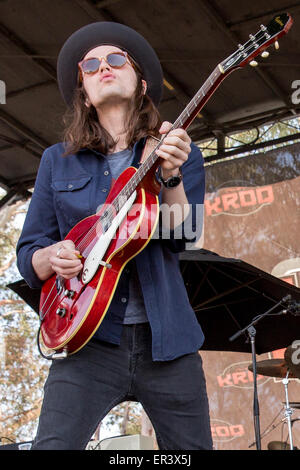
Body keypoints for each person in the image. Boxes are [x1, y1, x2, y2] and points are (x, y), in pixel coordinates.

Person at [16, 22, 212, 450]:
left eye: (116, 59)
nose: (104, 66)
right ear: (84, 92)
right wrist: (54, 256)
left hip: (169, 343)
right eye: (91, 65)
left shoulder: (176, 148)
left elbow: (187, 235)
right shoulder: (56, 161)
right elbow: (28, 251)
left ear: (141, 84)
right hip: (87, 339)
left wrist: (171, 175)